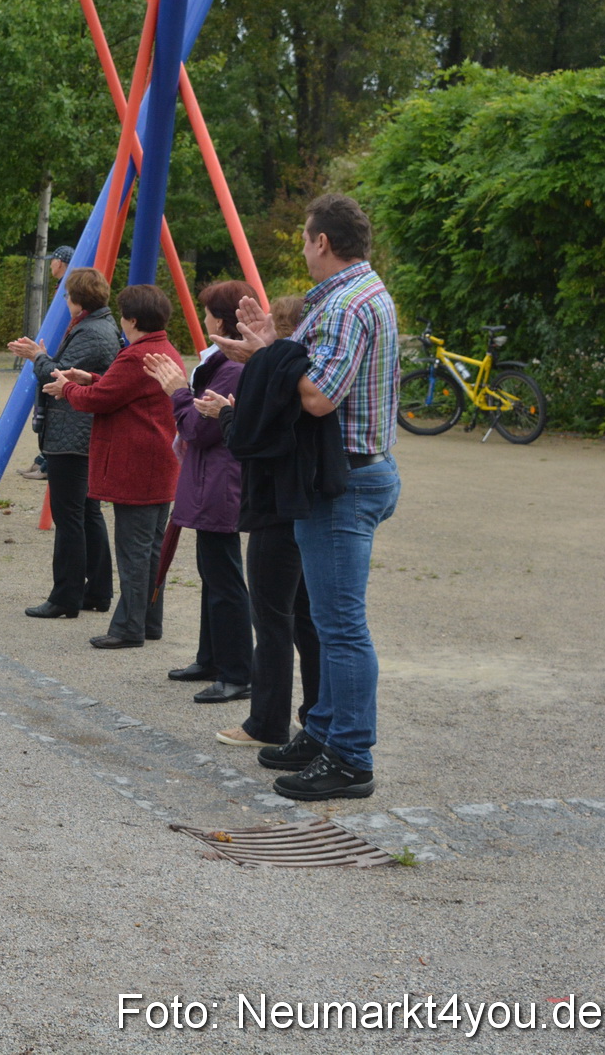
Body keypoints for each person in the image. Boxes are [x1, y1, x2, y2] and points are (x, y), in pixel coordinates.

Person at [213, 193, 399, 800]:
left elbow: (318, 394)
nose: (301, 246)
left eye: (303, 237)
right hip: (346, 473)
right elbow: (306, 373)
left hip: (341, 482)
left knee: (340, 626)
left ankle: (350, 756)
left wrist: (270, 353)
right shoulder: (361, 295)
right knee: (324, 618)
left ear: (322, 241)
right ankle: (321, 731)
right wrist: (265, 352)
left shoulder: (346, 304)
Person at [213, 294, 322, 750]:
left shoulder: (277, 372)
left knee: (273, 616)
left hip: (274, 505)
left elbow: (246, 438)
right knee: (305, 617)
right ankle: (314, 716)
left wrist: (225, 413)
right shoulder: (307, 371)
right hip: (302, 502)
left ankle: (267, 722)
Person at [47, 284, 181, 650]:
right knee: (152, 550)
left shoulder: (136, 355)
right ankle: (148, 621)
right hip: (161, 463)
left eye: (124, 315)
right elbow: (120, 390)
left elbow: (103, 400)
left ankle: (127, 627)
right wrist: (87, 378)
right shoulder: (163, 349)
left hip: (136, 466)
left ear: (133, 320)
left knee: (134, 550)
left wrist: (68, 390)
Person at [145, 280, 252, 703]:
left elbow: (198, 428)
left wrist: (176, 390)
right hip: (211, 480)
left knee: (225, 578)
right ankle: (212, 657)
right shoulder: (225, 362)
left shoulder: (232, 367)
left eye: (208, 311)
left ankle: (237, 672)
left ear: (219, 319)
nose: (203, 319)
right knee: (214, 574)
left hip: (219, 483)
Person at [10, 267, 119, 618]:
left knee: (70, 515)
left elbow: (60, 377)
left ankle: (65, 596)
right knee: (87, 513)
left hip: (73, 435)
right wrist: (45, 357)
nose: (65, 300)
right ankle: (97, 591)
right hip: (83, 433)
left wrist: (37, 358)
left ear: (77, 300)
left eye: (67, 295)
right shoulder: (99, 326)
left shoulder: (91, 331)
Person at [18, 244, 76, 480]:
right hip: (53, 353)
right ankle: (43, 457)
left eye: (53, 260)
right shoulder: (64, 289)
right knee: (42, 403)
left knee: (49, 403)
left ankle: (47, 462)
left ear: (60, 263)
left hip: (57, 356)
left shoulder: (68, 290)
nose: (51, 264)